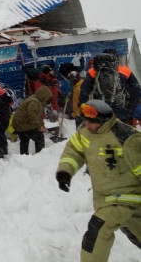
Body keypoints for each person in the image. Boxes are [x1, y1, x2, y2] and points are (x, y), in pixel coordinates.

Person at [55, 99, 141, 262]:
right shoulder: (85, 132)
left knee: (98, 229)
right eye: (85, 122)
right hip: (106, 199)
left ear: (103, 121)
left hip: (127, 198)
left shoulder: (127, 138)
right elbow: (74, 151)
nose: (87, 126)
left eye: (91, 123)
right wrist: (65, 171)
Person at [79, 48, 141, 123]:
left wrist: (86, 108)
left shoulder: (93, 71)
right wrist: (129, 108)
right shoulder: (125, 70)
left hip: (100, 109)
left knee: (102, 131)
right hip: (120, 110)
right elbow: (136, 89)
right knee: (120, 131)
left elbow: (84, 91)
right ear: (116, 58)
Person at [12, 86, 52, 155]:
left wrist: (41, 125)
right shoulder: (34, 102)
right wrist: (39, 127)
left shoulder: (35, 99)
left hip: (19, 123)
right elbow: (32, 117)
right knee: (39, 137)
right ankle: (40, 155)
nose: (47, 99)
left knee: (24, 140)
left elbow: (36, 116)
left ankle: (24, 156)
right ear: (43, 96)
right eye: (47, 97)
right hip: (22, 124)